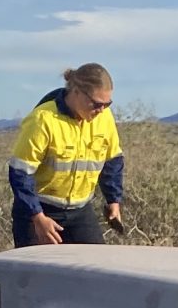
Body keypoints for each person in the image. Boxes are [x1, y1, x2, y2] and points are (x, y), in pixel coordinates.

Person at [7, 63, 124, 250]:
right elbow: (20, 173)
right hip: (39, 211)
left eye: (107, 104)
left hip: (80, 212)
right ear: (76, 92)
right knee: (36, 274)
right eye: (96, 104)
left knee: (96, 269)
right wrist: (38, 217)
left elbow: (112, 161)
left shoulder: (104, 118)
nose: (101, 110)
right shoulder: (43, 120)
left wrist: (113, 200)